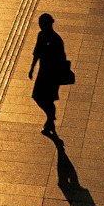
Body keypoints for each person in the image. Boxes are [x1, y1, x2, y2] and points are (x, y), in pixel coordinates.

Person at [29, 13, 73, 141]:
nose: (40, 26)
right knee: (37, 97)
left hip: (52, 74)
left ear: (48, 24)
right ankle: (50, 118)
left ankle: (50, 120)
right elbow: (36, 52)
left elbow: (61, 58)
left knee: (48, 99)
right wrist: (32, 68)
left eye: (42, 23)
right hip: (43, 73)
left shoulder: (56, 40)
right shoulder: (41, 35)